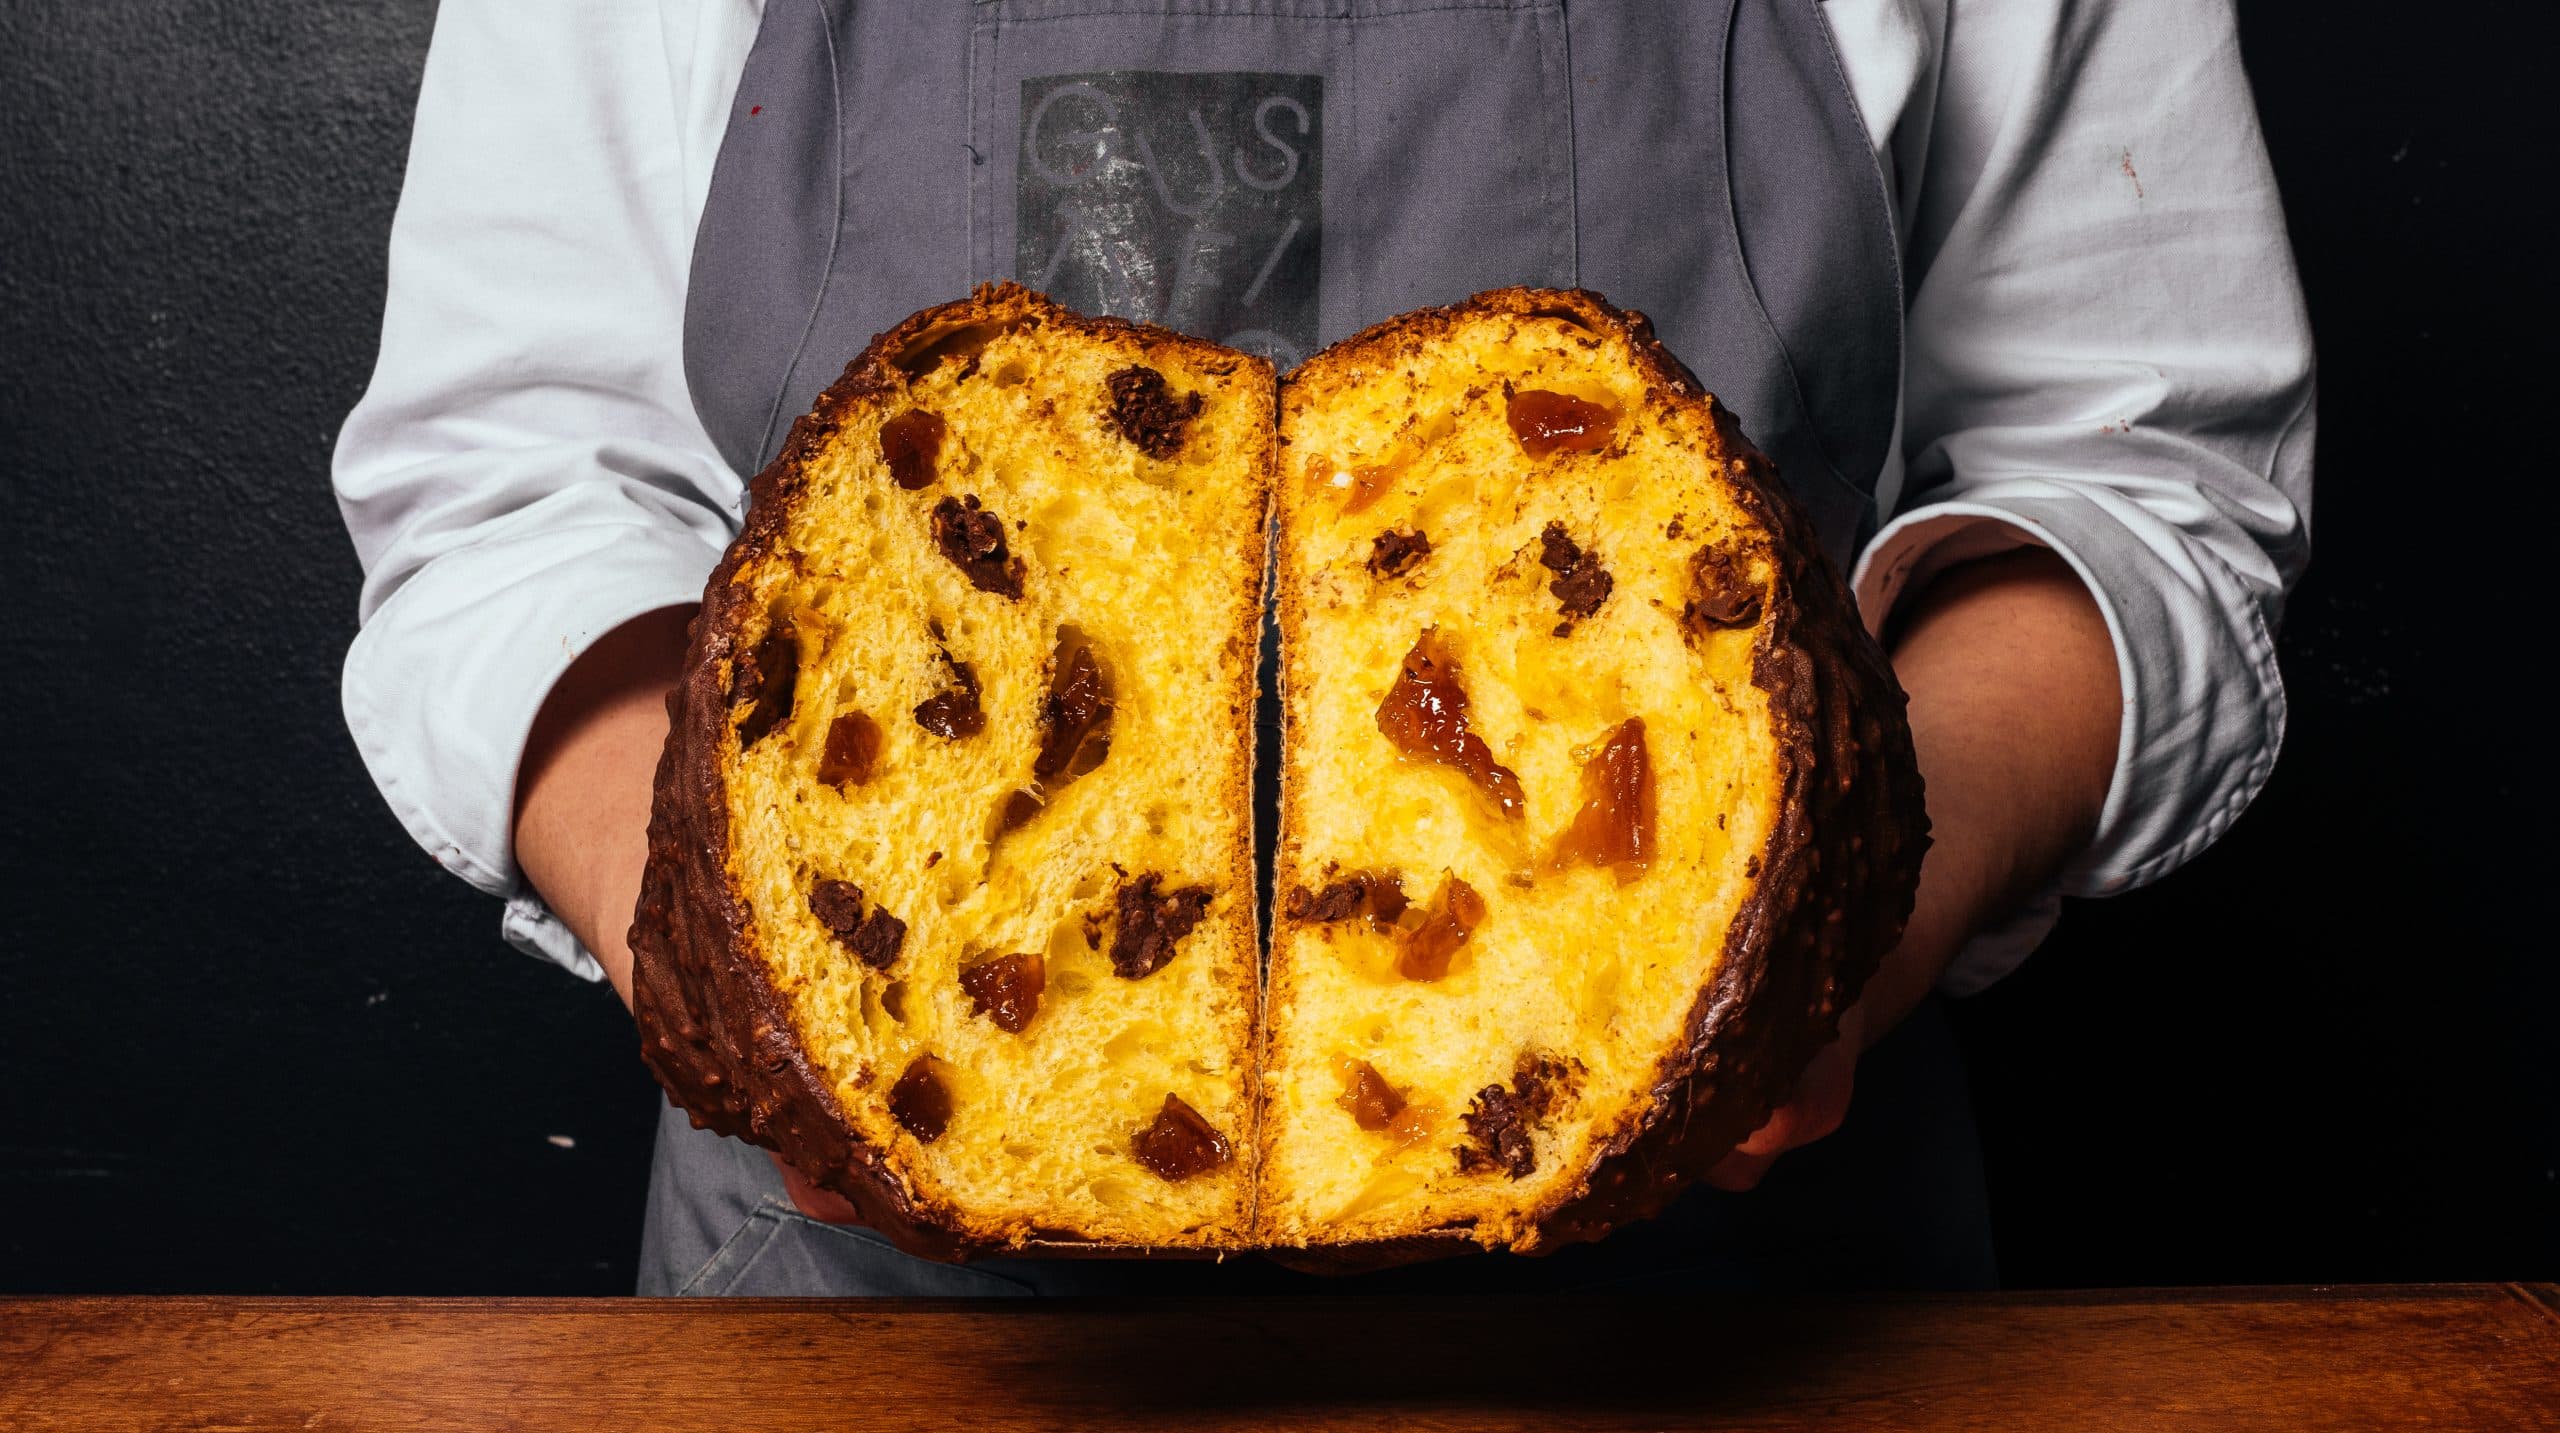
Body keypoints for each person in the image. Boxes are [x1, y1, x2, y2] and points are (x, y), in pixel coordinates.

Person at [336, 0, 2312, 1296]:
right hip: (877, 1349)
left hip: (1743, 1344)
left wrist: (1822, 944)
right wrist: (759, 977)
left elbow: (2133, 476)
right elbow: (516, 490)